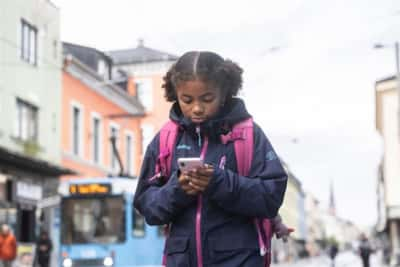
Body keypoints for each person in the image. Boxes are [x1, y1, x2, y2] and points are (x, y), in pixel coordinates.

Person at [134, 51, 288, 267]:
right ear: (175, 94)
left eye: (207, 99)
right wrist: (177, 190)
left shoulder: (249, 134)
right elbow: (147, 208)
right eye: (186, 100)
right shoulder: (166, 139)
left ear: (224, 93)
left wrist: (219, 182)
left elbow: (271, 196)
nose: (196, 108)